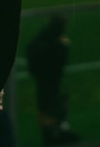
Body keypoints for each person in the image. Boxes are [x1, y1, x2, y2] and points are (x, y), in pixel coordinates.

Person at [26, 15, 74, 145]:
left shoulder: (43, 37)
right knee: (51, 104)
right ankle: (53, 132)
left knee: (48, 104)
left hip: (46, 80)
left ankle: (51, 132)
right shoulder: (56, 42)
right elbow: (59, 60)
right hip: (50, 80)